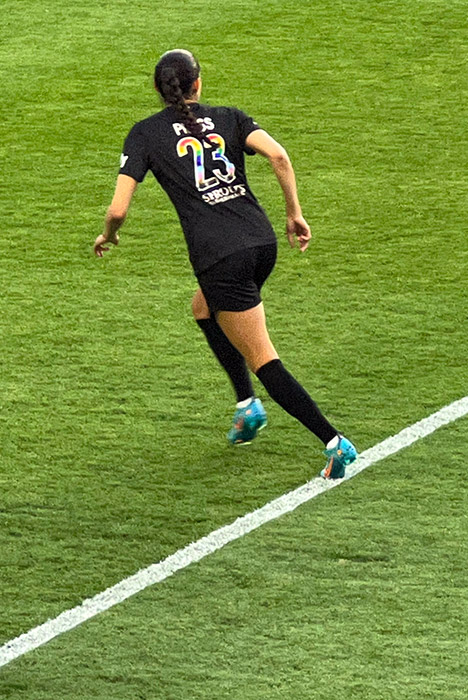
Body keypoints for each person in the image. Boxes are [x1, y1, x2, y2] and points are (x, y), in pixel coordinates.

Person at [94, 49, 357, 479]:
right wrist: (294, 213)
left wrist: (109, 234)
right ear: (198, 83)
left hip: (221, 257)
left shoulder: (143, 134)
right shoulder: (230, 117)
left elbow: (118, 209)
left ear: (159, 91)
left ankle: (334, 442)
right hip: (261, 243)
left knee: (263, 357)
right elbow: (279, 157)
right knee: (203, 308)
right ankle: (246, 406)